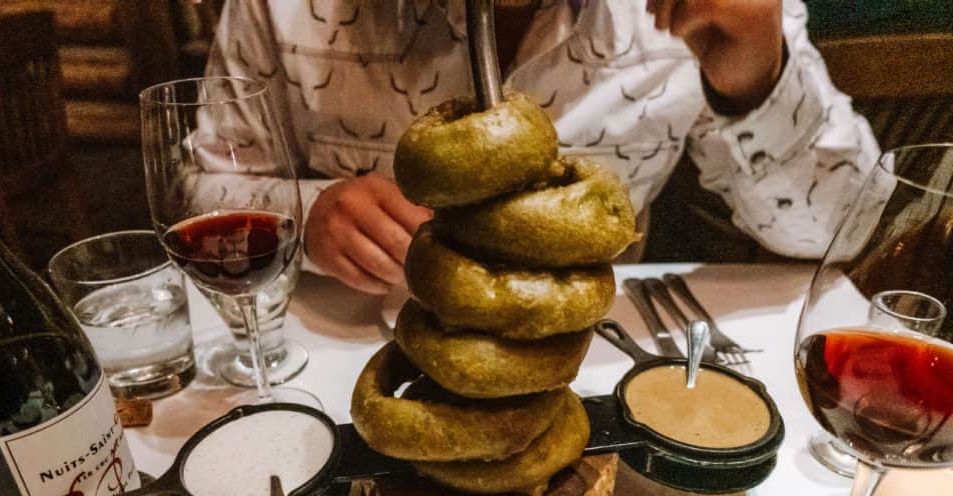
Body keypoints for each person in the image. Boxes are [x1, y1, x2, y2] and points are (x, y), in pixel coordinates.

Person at [203, 0, 878, 294]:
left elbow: (835, 235)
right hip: (340, 353)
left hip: (598, 363)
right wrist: (306, 222)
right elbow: (201, 186)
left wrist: (757, 81)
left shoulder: (710, 8)